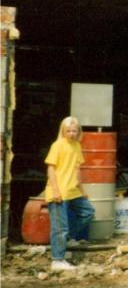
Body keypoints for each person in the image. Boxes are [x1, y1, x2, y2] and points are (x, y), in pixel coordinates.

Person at [44, 116, 95, 272]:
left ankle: (68, 238)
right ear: (63, 131)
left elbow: (77, 170)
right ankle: (57, 260)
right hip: (58, 192)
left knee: (88, 212)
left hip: (73, 191)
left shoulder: (77, 145)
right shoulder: (57, 145)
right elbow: (51, 169)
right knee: (60, 228)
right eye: (68, 131)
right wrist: (55, 190)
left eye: (74, 131)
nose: (72, 134)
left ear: (79, 132)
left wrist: (82, 190)